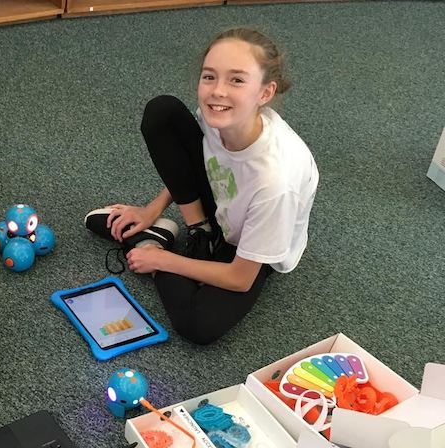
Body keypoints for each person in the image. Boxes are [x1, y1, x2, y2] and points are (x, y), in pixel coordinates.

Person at [85, 27, 319, 345]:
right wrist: (152, 209)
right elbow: (210, 166)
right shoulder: (218, 116)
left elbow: (239, 278)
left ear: (265, 93)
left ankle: (152, 243)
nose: (217, 91)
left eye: (236, 80)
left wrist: (160, 260)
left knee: (198, 325)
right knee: (163, 112)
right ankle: (200, 231)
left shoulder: (276, 182)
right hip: (226, 202)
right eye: (209, 77)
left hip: (250, 248)